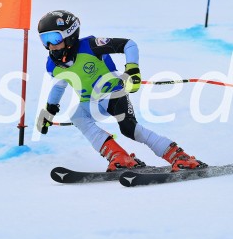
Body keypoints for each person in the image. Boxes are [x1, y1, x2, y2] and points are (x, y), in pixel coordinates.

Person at [35, 10, 205, 172]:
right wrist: (49, 111)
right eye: (45, 40)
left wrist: (132, 69)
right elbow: (59, 86)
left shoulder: (91, 46)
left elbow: (128, 44)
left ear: (70, 35)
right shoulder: (53, 65)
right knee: (78, 116)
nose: (50, 45)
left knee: (129, 129)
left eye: (54, 38)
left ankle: (180, 156)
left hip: (113, 94)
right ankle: (120, 157)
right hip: (90, 102)